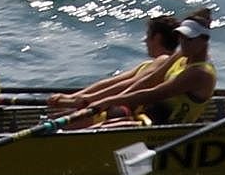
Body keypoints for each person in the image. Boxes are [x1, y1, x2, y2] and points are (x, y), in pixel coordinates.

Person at [44, 13, 184, 118]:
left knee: (58, 120)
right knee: (58, 115)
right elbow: (112, 82)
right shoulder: (147, 64)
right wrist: (75, 97)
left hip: (126, 112)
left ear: (157, 38)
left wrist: (88, 99)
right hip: (113, 106)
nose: (145, 40)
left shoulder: (164, 60)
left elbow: (132, 84)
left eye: (148, 35)